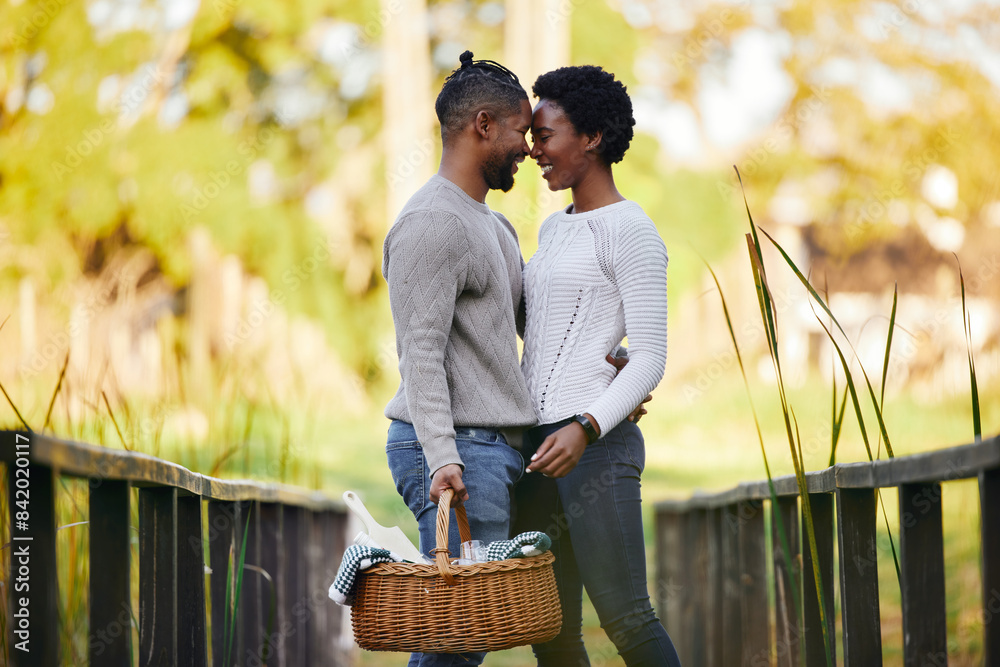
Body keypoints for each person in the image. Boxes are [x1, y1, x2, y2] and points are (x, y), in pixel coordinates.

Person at [511, 65, 682, 666]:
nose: (533, 149)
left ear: (591, 139)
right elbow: (549, 336)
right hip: (535, 452)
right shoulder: (551, 229)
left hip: (596, 451)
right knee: (550, 632)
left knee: (627, 619)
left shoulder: (631, 230)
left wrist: (587, 425)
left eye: (545, 134)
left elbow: (653, 355)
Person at [381, 50, 537, 667]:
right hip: (456, 451)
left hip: (490, 449)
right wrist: (443, 458)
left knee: (462, 640)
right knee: (457, 641)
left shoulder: (494, 226)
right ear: (483, 125)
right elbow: (419, 354)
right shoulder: (431, 223)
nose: (528, 148)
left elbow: (530, 328)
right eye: (521, 132)